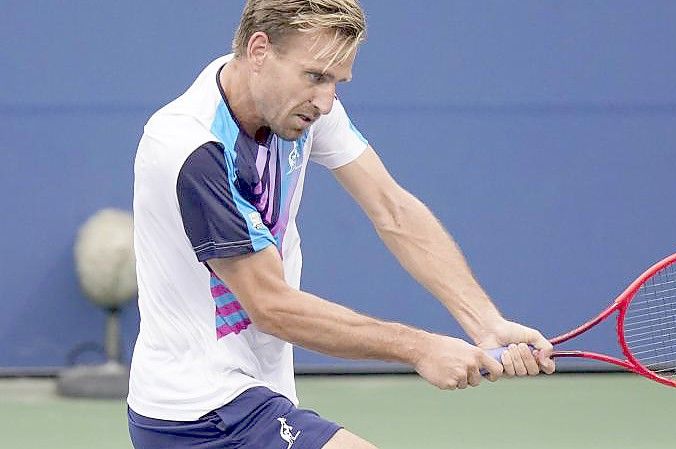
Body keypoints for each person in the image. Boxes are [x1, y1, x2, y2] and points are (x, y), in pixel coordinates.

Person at [127, 1, 556, 448]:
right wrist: (420, 347)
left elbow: (393, 210)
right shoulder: (194, 148)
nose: (326, 100)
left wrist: (485, 322)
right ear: (259, 51)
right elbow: (271, 306)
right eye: (315, 76)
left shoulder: (294, 104)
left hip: (256, 391)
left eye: (336, 81)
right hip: (201, 411)